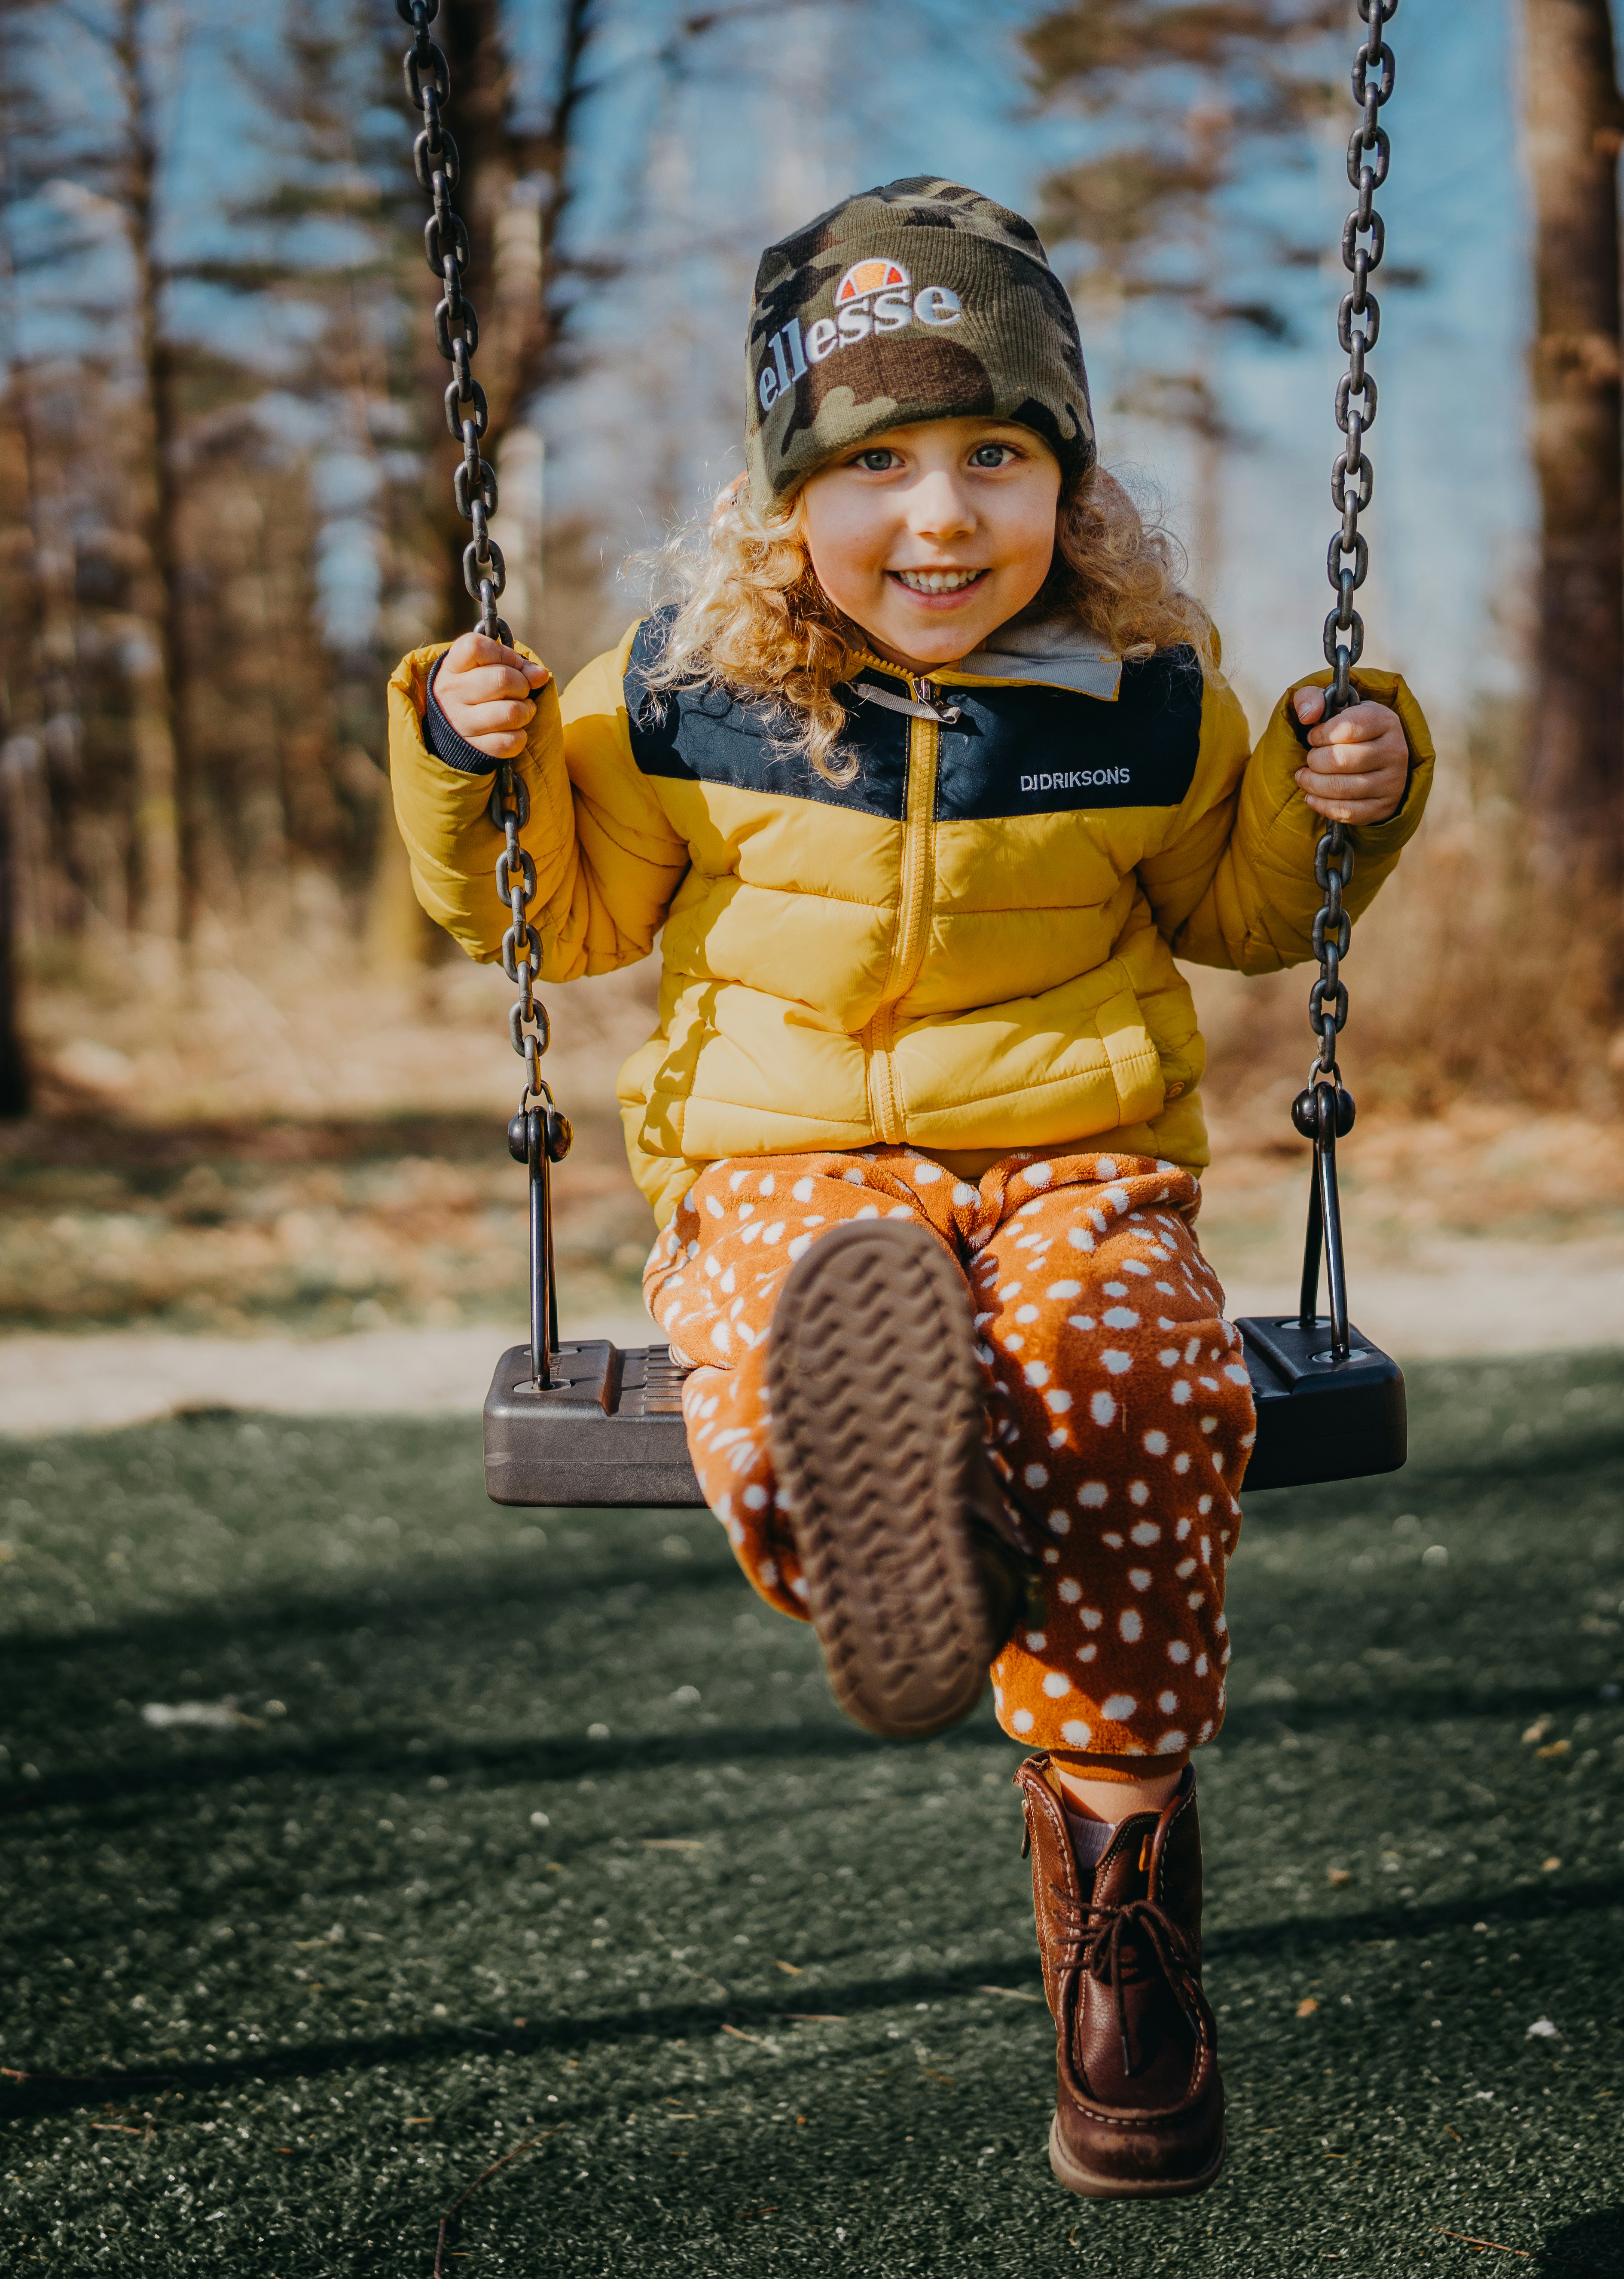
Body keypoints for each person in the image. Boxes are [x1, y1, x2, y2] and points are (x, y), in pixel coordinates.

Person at [387, 177, 1432, 2200]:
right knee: (796, 1350)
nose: (939, 516)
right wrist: (466, 753)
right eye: (874, 463)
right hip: (788, 1166)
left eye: (995, 457)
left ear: (1069, 484)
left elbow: (1235, 913)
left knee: (1136, 1378)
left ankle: (1121, 1935)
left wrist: (1348, 801)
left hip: (1074, 1159)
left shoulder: (1145, 690)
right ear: (788, 495)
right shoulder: (680, 687)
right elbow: (567, 913)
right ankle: (915, 1512)